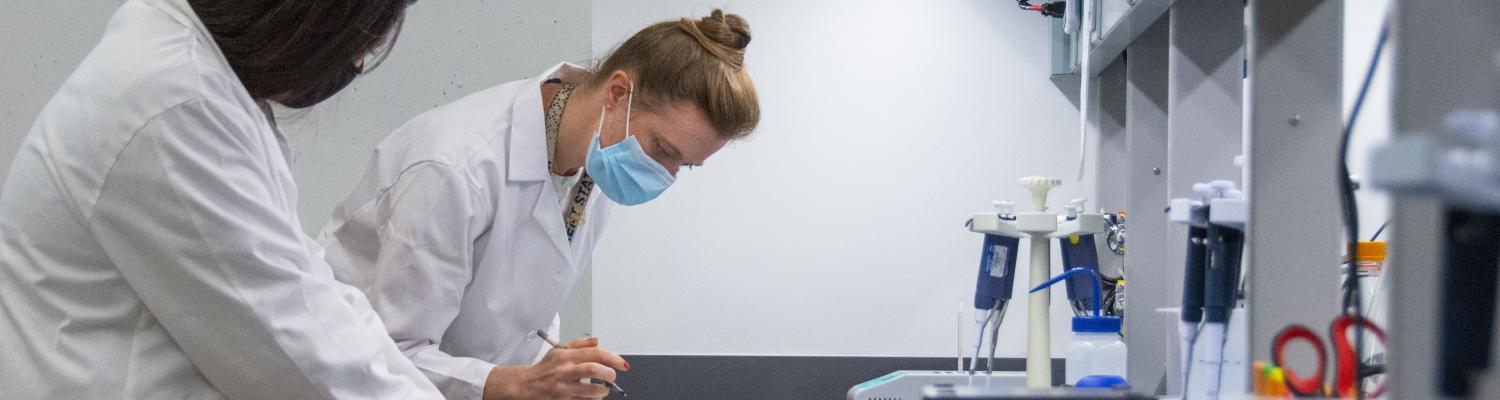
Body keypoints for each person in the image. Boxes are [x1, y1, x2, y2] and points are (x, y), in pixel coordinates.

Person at [0, 0, 444, 398]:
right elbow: (296, 355)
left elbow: (322, 302)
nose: (354, 64)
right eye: (353, 47)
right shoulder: (177, 99)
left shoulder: (197, 76)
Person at [317, 9, 761, 400]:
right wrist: (514, 384)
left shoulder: (592, 170)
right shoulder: (457, 166)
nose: (663, 175)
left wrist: (552, 373)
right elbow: (388, 355)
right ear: (616, 93)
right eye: (663, 150)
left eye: (685, 166)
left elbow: (519, 312)